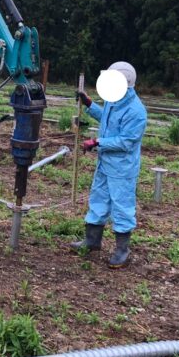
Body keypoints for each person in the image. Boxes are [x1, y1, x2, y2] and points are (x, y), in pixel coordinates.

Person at [71, 61, 147, 268]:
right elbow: (105, 118)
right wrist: (89, 105)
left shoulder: (136, 111)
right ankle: (92, 241)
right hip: (105, 163)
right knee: (98, 199)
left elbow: (126, 141)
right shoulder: (114, 101)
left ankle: (122, 250)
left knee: (121, 206)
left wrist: (97, 142)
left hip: (122, 167)